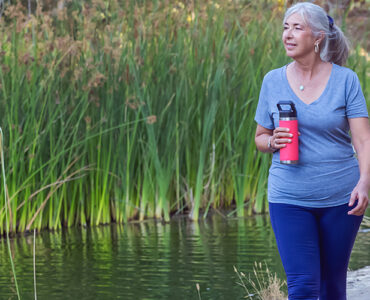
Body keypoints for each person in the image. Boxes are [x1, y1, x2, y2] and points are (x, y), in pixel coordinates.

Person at [254, 2, 370, 300]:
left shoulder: (346, 80)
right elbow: (260, 137)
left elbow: (363, 140)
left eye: (297, 28)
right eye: (285, 27)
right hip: (289, 197)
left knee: (332, 286)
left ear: (318, 37)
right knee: (304, 286)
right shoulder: (273, 80)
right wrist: (272, 142)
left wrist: (364, 183)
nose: (288, 35)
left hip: (340, 198)